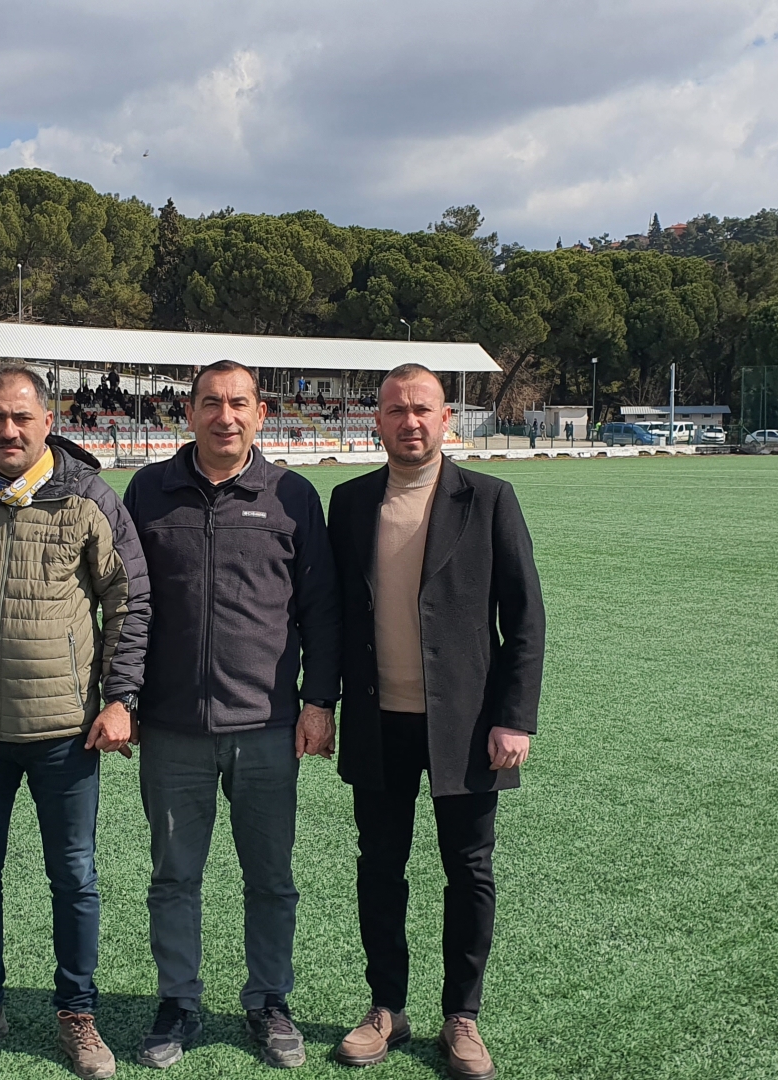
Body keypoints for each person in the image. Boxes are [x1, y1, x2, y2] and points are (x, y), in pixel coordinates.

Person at [0, 364, 150, 1080]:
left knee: (73, 878)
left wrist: (121, 698)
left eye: (21, 417)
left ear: (49, 421)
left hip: (63, 731)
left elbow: (129, 600)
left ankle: (77, 1012)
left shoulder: (88, 498)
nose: (8, 430)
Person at [326, 364, 546, 1080]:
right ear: (377, 420)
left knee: (469, 870)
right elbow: (332, 615)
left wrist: (515, 718)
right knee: (379, 868)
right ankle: (386, 1008)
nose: (410, 421)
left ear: (447, 418)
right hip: (378, 721)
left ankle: (463, 1016)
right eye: (395, 410)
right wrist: (319, 702)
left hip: (468, 727)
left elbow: (525, 618)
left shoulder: (489, 498)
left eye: (422, 409)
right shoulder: (350, 502)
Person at [123, 360, 341, 1070]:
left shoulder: (292, 495)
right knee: (173, 879)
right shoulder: (148, 491)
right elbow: (127, 605)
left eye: (239, 403)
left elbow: (321, 609)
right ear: (189, 413)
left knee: (271, 879)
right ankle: (178, 1002)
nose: (225, 416)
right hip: (172, 728)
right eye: (211, 403)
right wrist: (124, 698)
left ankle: (269, 1001)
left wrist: (319, 702)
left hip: (267, 727)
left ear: (260, 412)